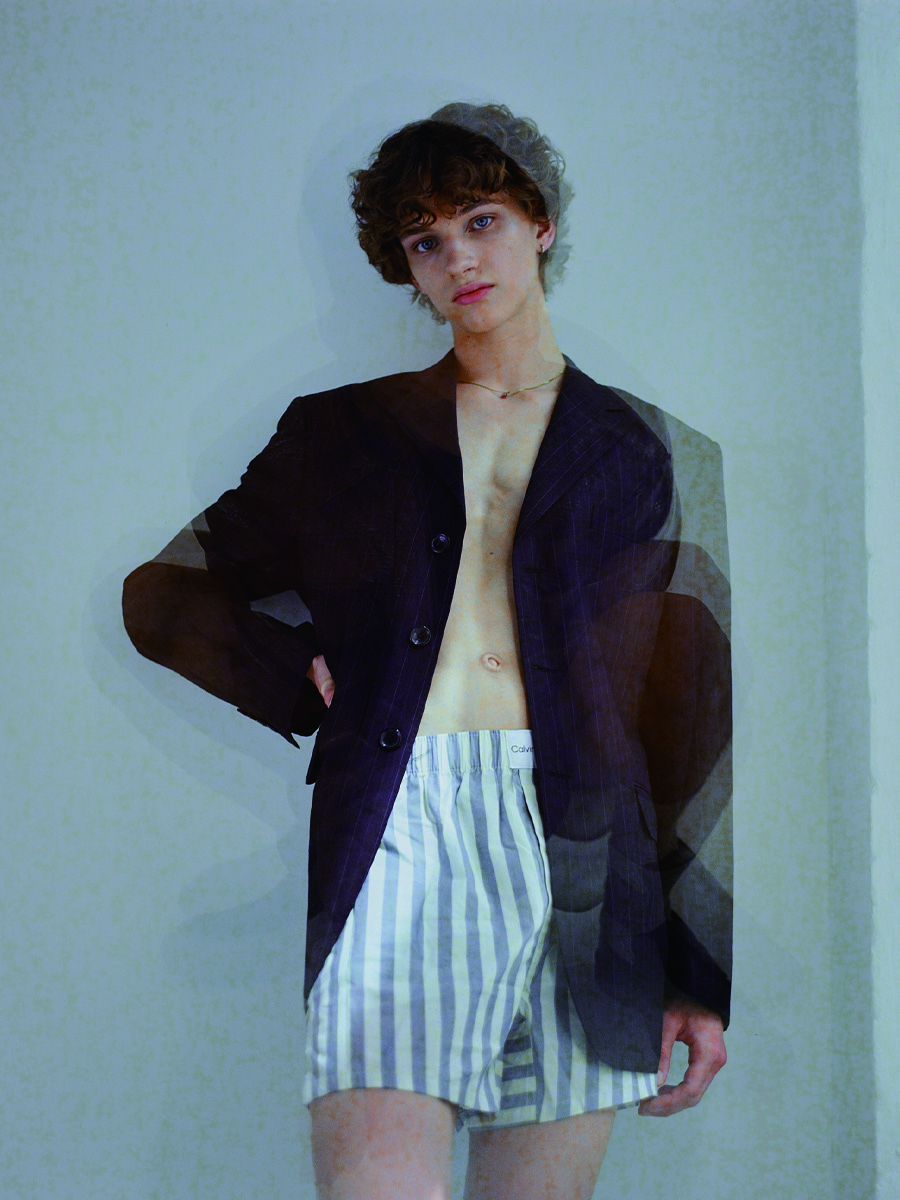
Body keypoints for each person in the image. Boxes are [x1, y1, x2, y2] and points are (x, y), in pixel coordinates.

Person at [123, 102, 732, 1200]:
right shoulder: (340, 435)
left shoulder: (650, 449)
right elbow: (164, 592)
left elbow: (687, 718)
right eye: (426, 240)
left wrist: (697, 970)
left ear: (540, 224)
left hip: (589, 856)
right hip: (401, 828)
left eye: (481, 221)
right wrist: (294, 672)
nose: (459, 260)